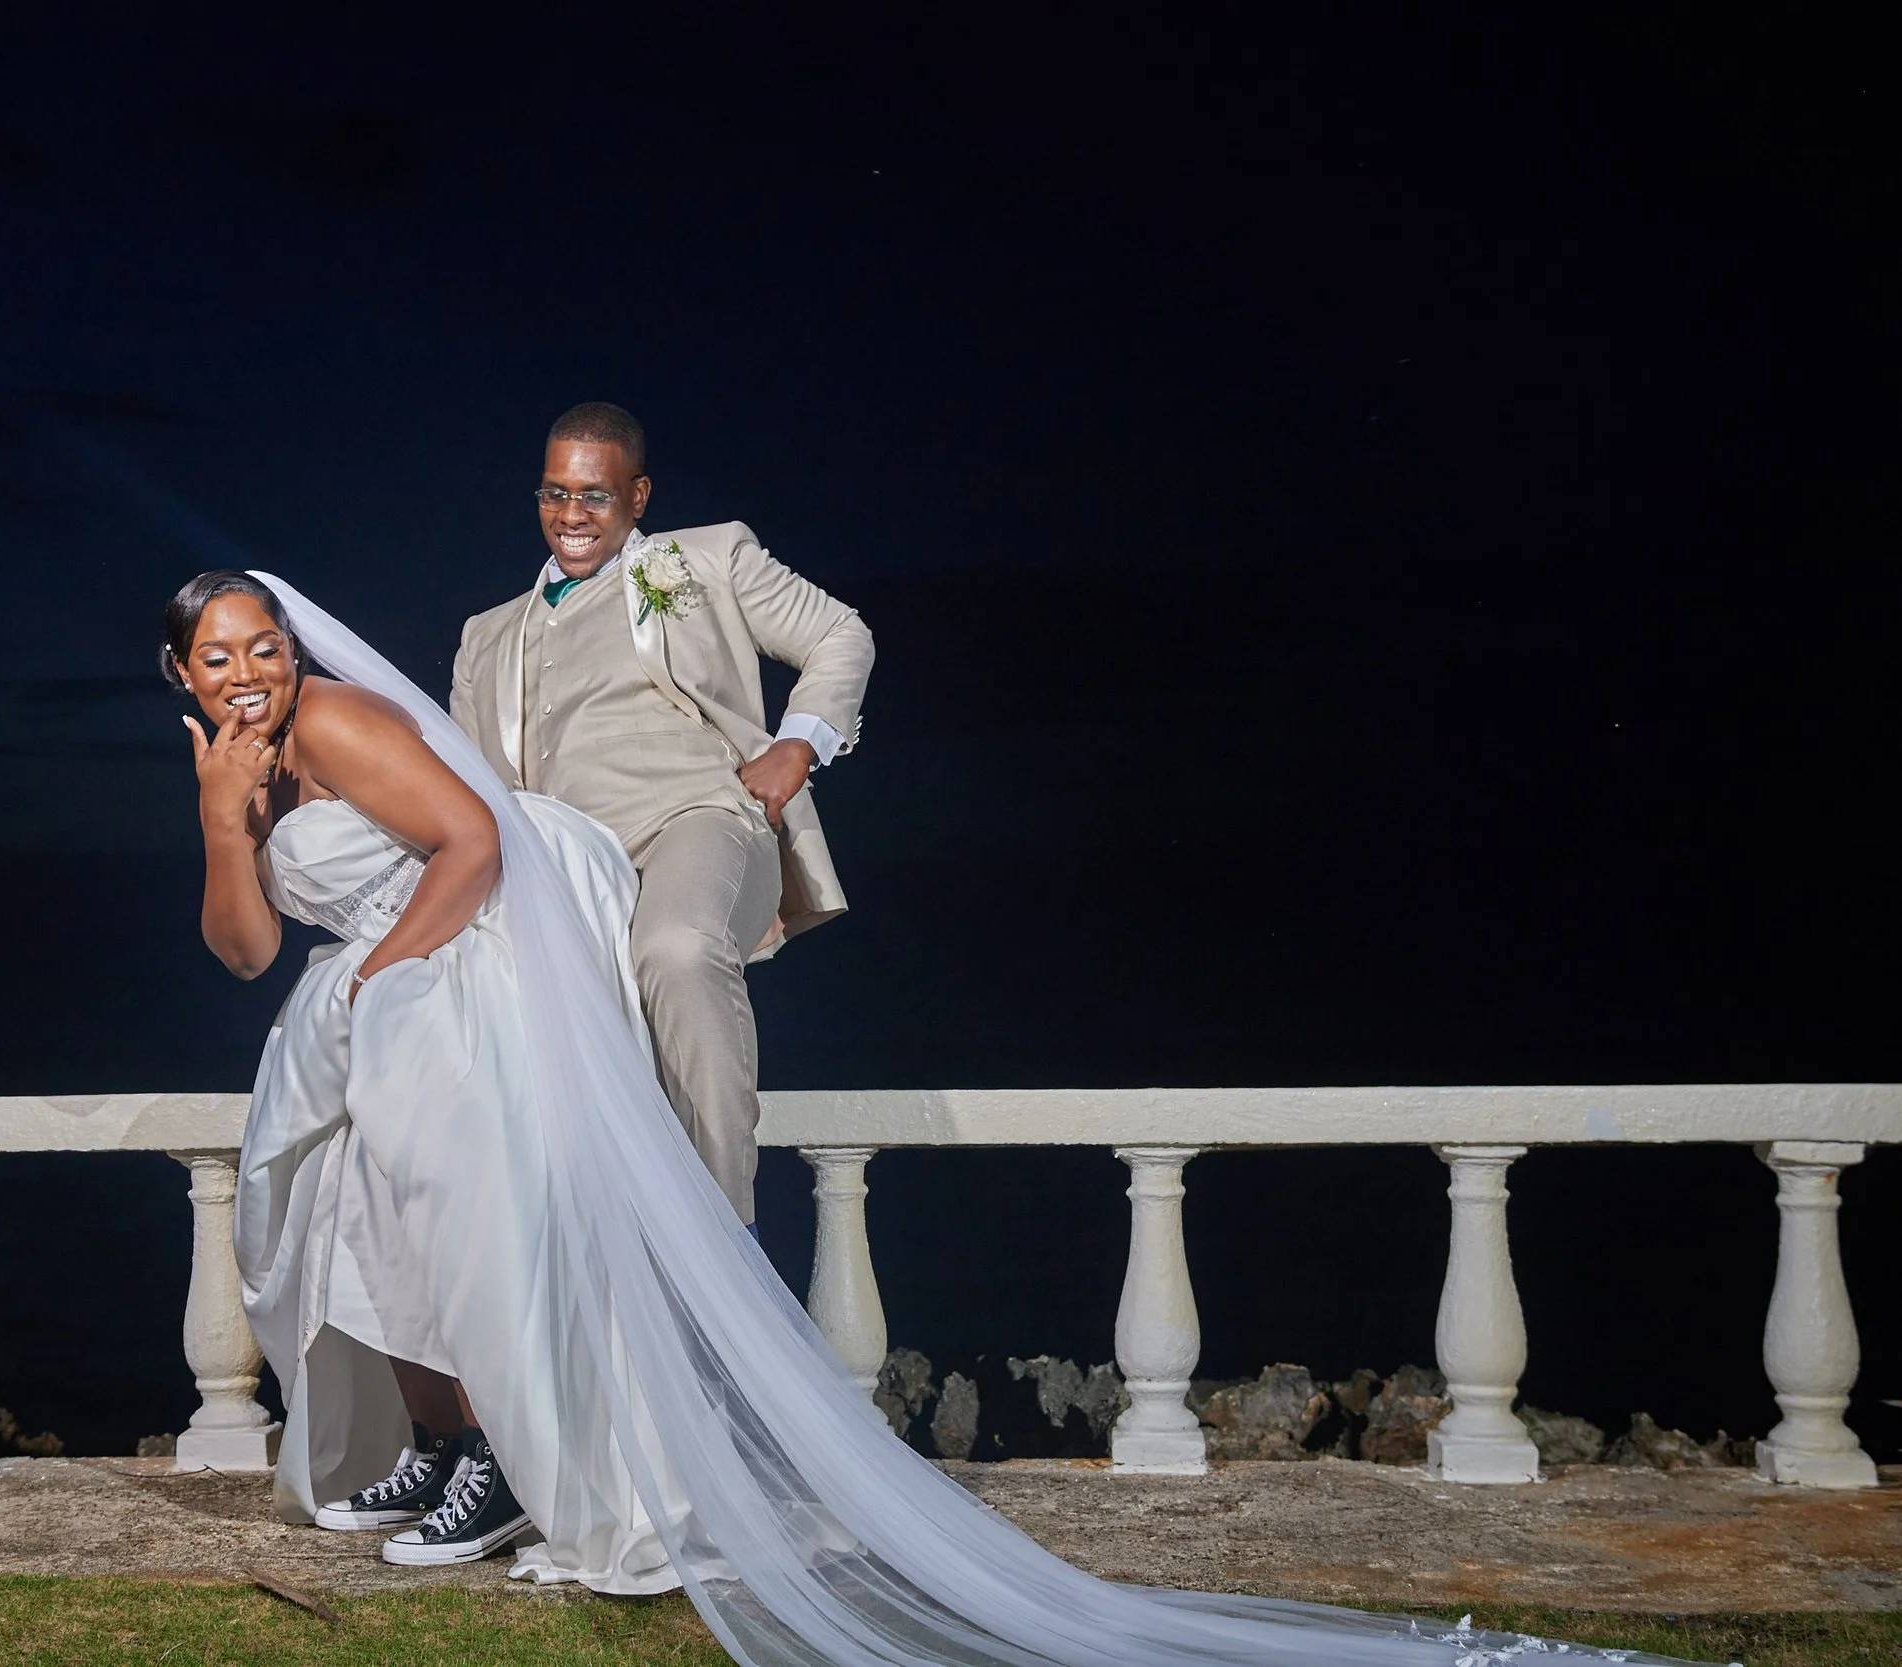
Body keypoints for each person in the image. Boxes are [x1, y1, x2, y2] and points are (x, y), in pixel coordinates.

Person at [166, 564, 1711, 1665]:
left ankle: (512, 1462)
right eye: (216, 658)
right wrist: (220, 818)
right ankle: (457, 1454)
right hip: (368, 1008)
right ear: (182, 679)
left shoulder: (351, 723)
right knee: (371, 1233)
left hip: (439, 997)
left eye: (258, 644)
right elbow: (243, 945)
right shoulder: (248, 761)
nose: (248, 671)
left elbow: (474, 849)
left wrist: (378, 977)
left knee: (460, 1236)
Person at [450, 402, 873, 1226]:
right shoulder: (487, 636)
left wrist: (798, 745)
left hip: (702, 818)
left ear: (638, 497)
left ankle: (725, 1232)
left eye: (595, 496)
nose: (571, 515)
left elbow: (840, 633)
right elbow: (466, 787)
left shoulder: (705, 560)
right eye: (554, 493)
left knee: (675, 950)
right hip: (564, 867)